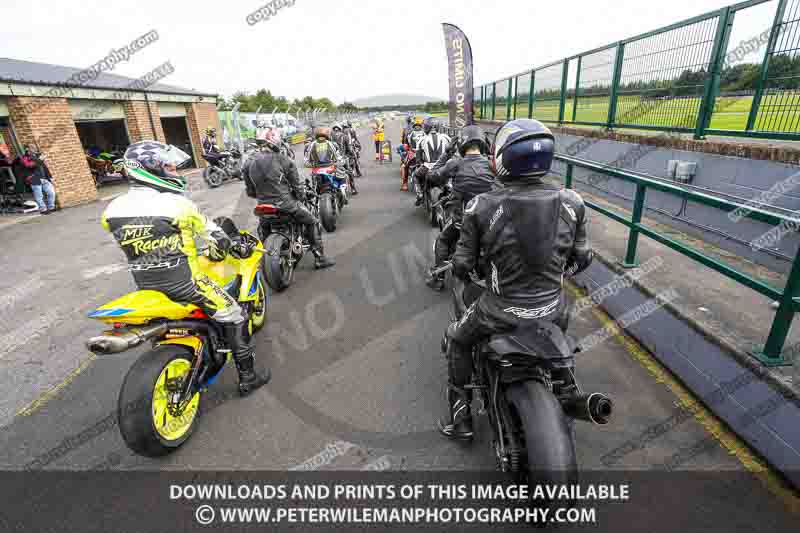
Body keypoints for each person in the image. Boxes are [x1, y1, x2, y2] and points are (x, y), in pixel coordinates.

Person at [440, 119, 594, 440]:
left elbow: (463, 264)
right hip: (554, 308)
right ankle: (566, 389)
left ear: (503, 158)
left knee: (457, 338)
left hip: (497, 312)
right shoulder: (573, 202)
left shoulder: (480, 206)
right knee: (559, 336)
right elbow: (583, 258)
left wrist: (470, 269)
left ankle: (461, 416)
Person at [102, 140, 271, 397]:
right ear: (150, 169)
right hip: (187, 285)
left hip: (146, 286)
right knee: (236, 316)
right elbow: (219, 239)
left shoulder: (112, 210)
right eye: (169, 167)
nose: (176, 172)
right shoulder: (176, 205)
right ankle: (248, 377)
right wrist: (220, 249)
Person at [421, 125, 496, 291]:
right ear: (483, 143)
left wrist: (446, 153)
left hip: (462, 221)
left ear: (461, 143)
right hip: (490, 221)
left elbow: (432, 176)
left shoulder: (455, 163)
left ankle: (438, 279)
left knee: (442, 240)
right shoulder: (491, 165)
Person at [252, 133, 336, 270]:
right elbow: (297, 187)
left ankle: (266, 257)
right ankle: (320, 258)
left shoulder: (251, 163)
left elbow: (251, 191)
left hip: (263, 206)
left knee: (263, 226)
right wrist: (301, 196)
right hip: (285, 204)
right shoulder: (284, 160)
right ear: (276, 144)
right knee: (312, 222)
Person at [413, 118, 452, 206]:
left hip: (427, 168)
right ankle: (450, 188)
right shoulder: (446, 137)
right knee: (452, 176)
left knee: (415, 176)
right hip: (443, 167)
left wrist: (420, 164)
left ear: (426, 127)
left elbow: (418, 158)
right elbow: (452, 151)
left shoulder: (422, 139)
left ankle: (419, 194)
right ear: (438, 127)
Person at [18, 146, 57, 214]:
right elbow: (29, 165)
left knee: (51, 193)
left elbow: (44, 167)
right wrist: (39, 160)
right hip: (34, 178)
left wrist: (50, 177)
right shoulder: (24, 158)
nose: (34, 150)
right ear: (28, 150)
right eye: (32, 149)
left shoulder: (37, 156)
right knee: (39, 196)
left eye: (34, 149)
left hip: (44, 178)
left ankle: (51, 207)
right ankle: (43, 209)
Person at [331, 123, 358, 195]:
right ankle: (353, 189)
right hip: (342, 158)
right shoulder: (344, 136)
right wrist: (352, 155)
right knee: (349, 172)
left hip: (332, 160)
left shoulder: (330, 137)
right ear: (340, 129)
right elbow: (349, 149)